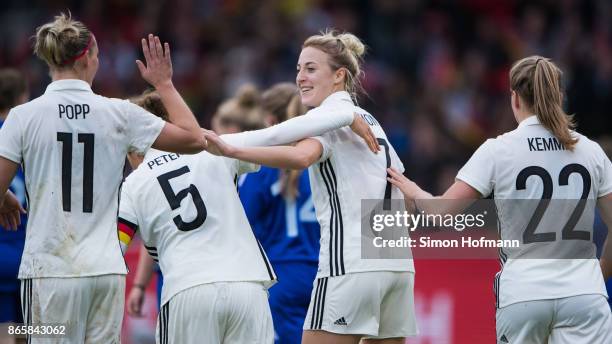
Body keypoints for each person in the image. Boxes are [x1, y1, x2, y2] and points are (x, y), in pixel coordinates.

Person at [0, 13, 207, 343]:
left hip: (50, 272)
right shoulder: (119, 113)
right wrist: (165, 85)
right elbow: (196, 140)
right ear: (88, 58)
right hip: (105, 271)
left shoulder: (23, 117)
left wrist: (6, 196)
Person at [203, 30, 418, 344]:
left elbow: (300, 157)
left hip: (350, 264)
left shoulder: (329, 118)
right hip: (397, 264)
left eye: (311, 69)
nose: (300, 78)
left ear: (338, 75)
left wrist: (233, 149)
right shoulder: (371, 121)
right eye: (298, 69)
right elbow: (402, 194)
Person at [116, 86, 374, 343]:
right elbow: (280, 136)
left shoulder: (135, 182)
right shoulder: (216, 148)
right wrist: (348, 117)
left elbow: (115, 248)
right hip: (263, 282)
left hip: (191, 287)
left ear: (134, 146)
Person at [386, 56, 612, 343]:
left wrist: (413, 190)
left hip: (524, 294)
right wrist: (597, 274)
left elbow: (441, 213)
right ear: (560, 97)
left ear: (515, 99)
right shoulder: (590, 151)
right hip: (584, 294)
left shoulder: (498, 150)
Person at [238, 84, 320, 344]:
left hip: (279, 275)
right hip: (325, 276)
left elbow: (242, 225)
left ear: (271, 122)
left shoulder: (259, 167)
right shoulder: (323, 160)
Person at [0, 69, 29, 344]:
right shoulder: (28, 136)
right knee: (30, 333)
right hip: (28, 257)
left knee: (4, 332)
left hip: (1, 257)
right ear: (21, 99)